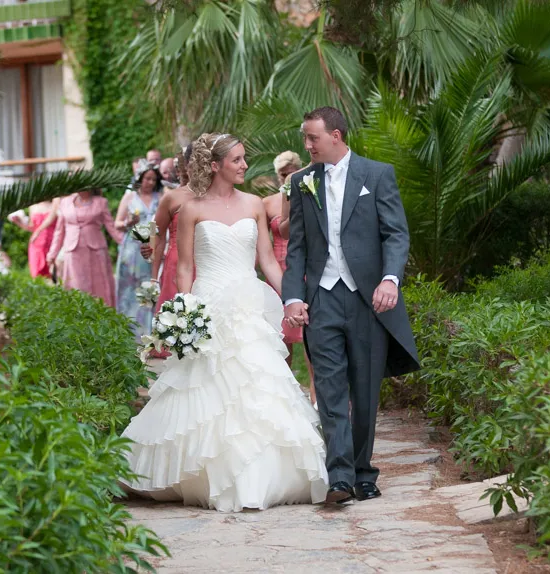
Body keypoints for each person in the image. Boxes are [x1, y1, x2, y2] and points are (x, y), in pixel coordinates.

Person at [122, 133, 328, 512]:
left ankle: (264, 477)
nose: (245, 165)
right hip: (209, 304)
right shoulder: (193, 209)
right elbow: (184, 267)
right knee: (206, 389)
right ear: (215, 165)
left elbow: (267, 260)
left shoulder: (252, 204)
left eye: (244, 158)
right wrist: (186, 312)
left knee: (259, 382)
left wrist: (293, 299)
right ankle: (206, 474)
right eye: (237, 160)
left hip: (248, 304)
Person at [283, 107, 420, 505]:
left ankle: (363, 472)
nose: (307, 145)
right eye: (306, 138)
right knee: (329, 389)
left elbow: (396, 234)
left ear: (336, 136)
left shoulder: (377, 175)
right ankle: (339, 476)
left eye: (313, 138)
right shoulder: (301, 182)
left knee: (364, 390)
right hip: (321, 299)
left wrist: (390, 279)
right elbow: (297, 249)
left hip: (368, 301)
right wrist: (293, 296)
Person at [263, 151, 316, 406]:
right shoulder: (266, 204)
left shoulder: (309, 191)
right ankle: (286, 397)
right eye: (284, 173)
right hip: (276, 268)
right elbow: (260, 243)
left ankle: (316, 394)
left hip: (303, 266)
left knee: (308, 333)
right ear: (277, 175)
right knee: (281, 336)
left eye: (292, 170)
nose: (288, 176)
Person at [46, 190, 121, 303]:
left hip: (96, 250)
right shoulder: (64, 202)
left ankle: (104, 317)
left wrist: (127, 243)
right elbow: (59, 231)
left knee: (99, 288)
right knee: (76, 287)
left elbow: (111, 227)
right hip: (73, 251)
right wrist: (52, 253)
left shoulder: (101, 202)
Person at [115, 160, 162, 337]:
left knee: (150, 284)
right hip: (133, 247)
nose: (150, 182)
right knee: (130, 287)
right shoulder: (129, 197)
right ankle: (130, 329)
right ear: (139, 178)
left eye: (153, 179)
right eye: (147, 178)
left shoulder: (161, 197)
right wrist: (128, 222)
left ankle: (150, 328)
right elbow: (117, 223)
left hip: (153, 244)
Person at [150, 144, 194, 310]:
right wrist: (154, 277)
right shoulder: (171, 198)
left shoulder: (214, 196)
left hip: (207, 262)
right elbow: (157, 233)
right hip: (176, 261)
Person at [9, 201, 58, 279]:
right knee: (38, 276)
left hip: (52, 243)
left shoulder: (55, 204)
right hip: (36, 245)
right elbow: (32, 227)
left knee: (54, 275)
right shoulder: (33, 206)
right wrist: (19, 222)